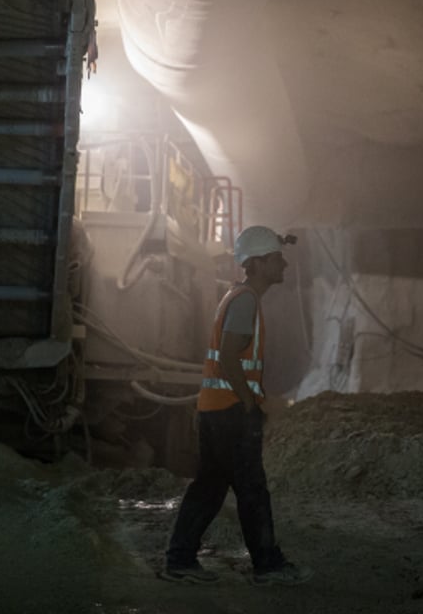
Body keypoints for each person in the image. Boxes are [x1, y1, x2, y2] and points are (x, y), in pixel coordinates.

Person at [159, 225, 311, 586]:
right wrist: (249, 402)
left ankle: (180, 559)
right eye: (276, 259)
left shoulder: (237, 297)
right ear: (256, 264)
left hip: (216, 407)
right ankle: (267, 565)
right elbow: (229, 356)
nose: (284, 265)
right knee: (251, 488)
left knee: (210, 485)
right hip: (230, 410)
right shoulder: (244, 300)